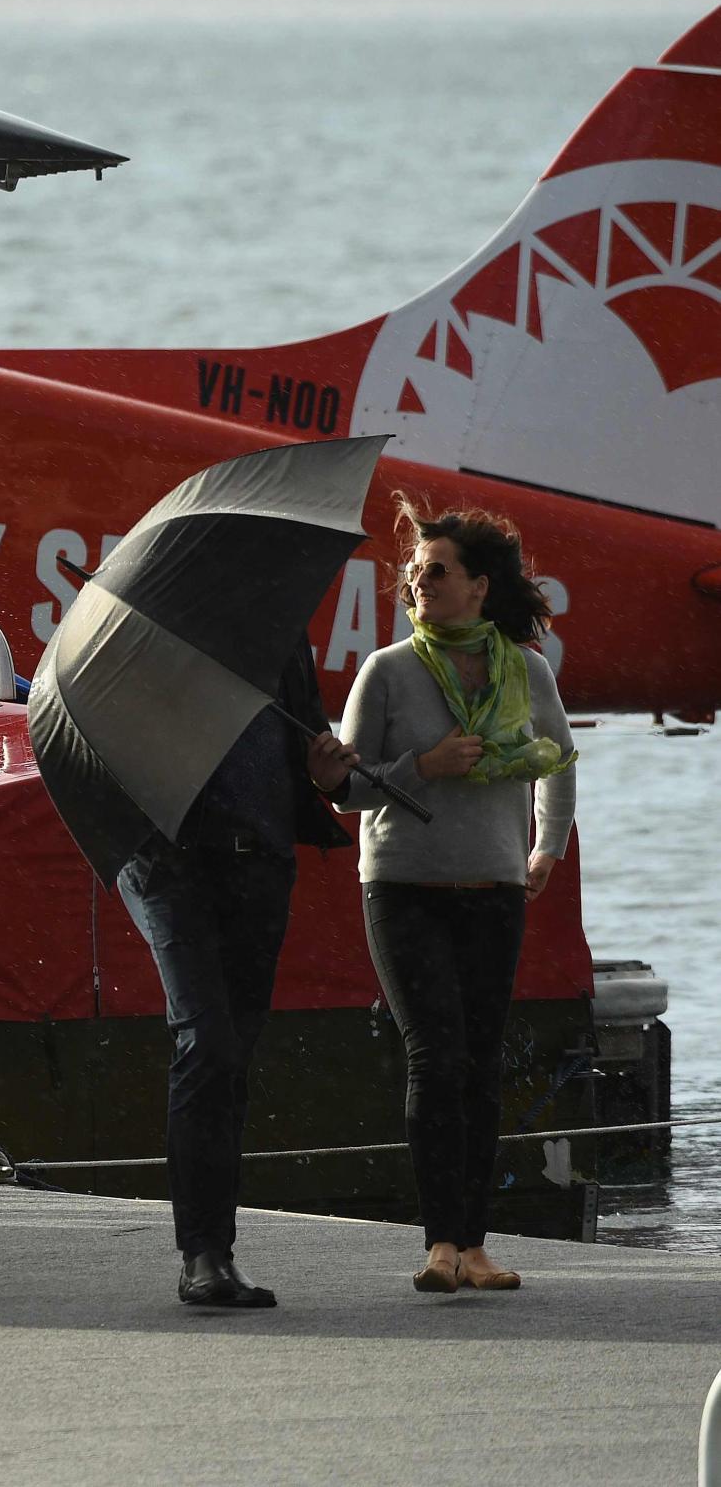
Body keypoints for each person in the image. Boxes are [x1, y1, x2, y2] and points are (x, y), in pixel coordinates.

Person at [337, 502, 575, 1296]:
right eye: (414, 571)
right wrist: (423, 767)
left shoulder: (525, 670)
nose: (418, 580)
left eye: (435, 570)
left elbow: (560, 761)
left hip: (495, 885)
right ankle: (440, 1243)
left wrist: (547, 844)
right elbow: (346, 789)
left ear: (478, 586)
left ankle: (476, 1248)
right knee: (435, 1057)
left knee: (478, 1065)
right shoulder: (388, 670)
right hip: (403, 886)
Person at [114, 641, 360, 1307]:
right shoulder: (149, 634)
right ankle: (201, 1256)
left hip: (260, 861)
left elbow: (309, 750)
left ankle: (216, 1251)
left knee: (233, 1056)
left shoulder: (282, 634)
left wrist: (329, 770)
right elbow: (109, 749)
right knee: (208, 1043)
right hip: (167, 863)